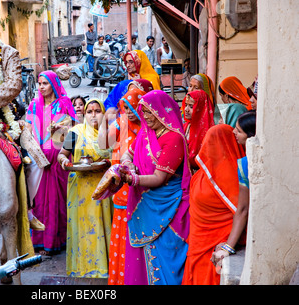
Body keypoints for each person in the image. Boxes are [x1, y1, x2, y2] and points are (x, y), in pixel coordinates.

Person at [120, 90, 191, 285]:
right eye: (143, 112)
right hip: (144, 204)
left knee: (165, 259)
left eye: (150, 112)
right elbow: (128, 153)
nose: (146, 117)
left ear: (162, 112)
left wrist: (133, 179)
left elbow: (159, 178)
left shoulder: (174, 139)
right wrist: (128, 164)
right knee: (141, 259)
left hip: (168, 207)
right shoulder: (145, 132)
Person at [182, 124, 246, 285]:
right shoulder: (204, 172)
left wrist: (228, 247)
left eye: (209, 142)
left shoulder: (230, 175)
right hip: (198, 240)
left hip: (215, 245)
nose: (204, 146)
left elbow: (242, 210)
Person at [58, 98, 113, 278]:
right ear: (84, 114)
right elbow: (62, 154)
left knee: (99, 225)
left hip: (102, 186)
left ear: (103, 114)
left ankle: (102, 268)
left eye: (97, 111)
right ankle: (81, 268)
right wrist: (64, 161)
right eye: (89, 111)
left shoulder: (110, 134)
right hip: (79, 186)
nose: (93, 115)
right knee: (82, 227)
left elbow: (117, 158)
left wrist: (109, 161)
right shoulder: (75, 132)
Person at [98, 86, 146, 285]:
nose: (128, 113)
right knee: (121, 235)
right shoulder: (121, 122)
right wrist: (103, 119)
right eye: (124, 107)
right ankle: (120, 279)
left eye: (131, 108)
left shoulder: (149, 127)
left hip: (143, 187)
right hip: (121, 186)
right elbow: (103, 144)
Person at [25, 70, 76, 255]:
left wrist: (64, 145)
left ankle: (55, 240)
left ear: (54, 84)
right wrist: (32, 151)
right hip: (38, 160)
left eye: (45, 83)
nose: (41, 87)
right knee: (37, 200)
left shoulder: (64, 104)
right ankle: (38, 240)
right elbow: (28, 130)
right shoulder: (34, 105)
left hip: (57, 159)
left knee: (56, 201)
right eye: (39, 83)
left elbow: (73, 131)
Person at [209, 111, 256, 268]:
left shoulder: (245, 164)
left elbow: (243, 209)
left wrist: (228, 248)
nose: (233, 132)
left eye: (239, 130)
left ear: (251, 136)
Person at [181, 90, 215, 171]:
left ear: (201, 107)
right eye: (186, 105)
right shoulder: (185, 126)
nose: (186, 109)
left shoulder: (210, 131)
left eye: (191, 106)